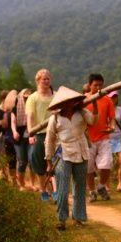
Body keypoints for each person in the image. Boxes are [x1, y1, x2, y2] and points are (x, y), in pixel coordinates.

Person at [45, 86, 97, 230]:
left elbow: (93, 121)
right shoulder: (55, 118)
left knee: (80, 186)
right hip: (63, 154)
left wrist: (96, 104)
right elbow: (49, 140)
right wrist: (49, 162)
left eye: (70, 101)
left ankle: (78, 218)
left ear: (74, 101)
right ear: (59, 104)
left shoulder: (82, 113)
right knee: (63, 187)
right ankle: (62, 219)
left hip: (81, 151)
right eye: (64, 102)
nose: (67, 104)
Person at [82, 74, 116, 202]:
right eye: (95, 85)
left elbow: (111, 118)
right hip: (88, 138)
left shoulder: (107, 100)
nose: (98, 87)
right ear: (90, 85)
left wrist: (112, 128)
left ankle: (101, 186)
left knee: (106, 164)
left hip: (104, 136)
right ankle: (91, 191)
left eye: (100, 85)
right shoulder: (84, 100)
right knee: (88, 167)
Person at [25, 70, 56, 201]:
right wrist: (31, 134)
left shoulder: (56, 95)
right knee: (39, 163)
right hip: (39, 134)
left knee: (55, 163)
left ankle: (56, 191)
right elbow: (30, 117)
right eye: (44, 79)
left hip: (54, 133)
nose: (46, 81)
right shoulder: (33, 98)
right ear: (38, 81)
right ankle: (43, 190)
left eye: (48, 79)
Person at [12, 88, 37, 191]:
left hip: (32, 137)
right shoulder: (15, 109)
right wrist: (14, 132)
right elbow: (13, 122)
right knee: (22, 161)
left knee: (32, 160)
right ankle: (22, 185)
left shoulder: (33, 107)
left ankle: (32, 184)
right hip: (20, 138)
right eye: (25, 98)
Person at [107, 91, 121, 192]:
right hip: (107, 138)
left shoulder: (119, 109)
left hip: (119, 138)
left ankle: (120, 184)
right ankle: (106, 186)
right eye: (111, 97)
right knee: (107, 163)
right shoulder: (104, 108)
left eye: (115, 97)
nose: (113, 99)